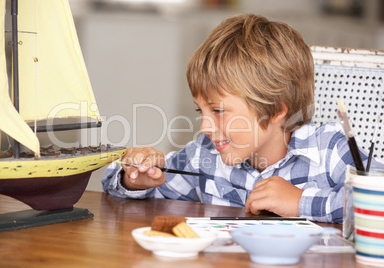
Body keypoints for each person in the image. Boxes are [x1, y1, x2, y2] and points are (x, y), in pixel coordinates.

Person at [102, 13, 383, 223]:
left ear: (275, 109)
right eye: (201, 111)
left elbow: (378, 202)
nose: (205, 127)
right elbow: (118, 182)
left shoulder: (329, 149)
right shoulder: (206, 155)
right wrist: (134, 179)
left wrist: (300, 203)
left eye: (219, 111)